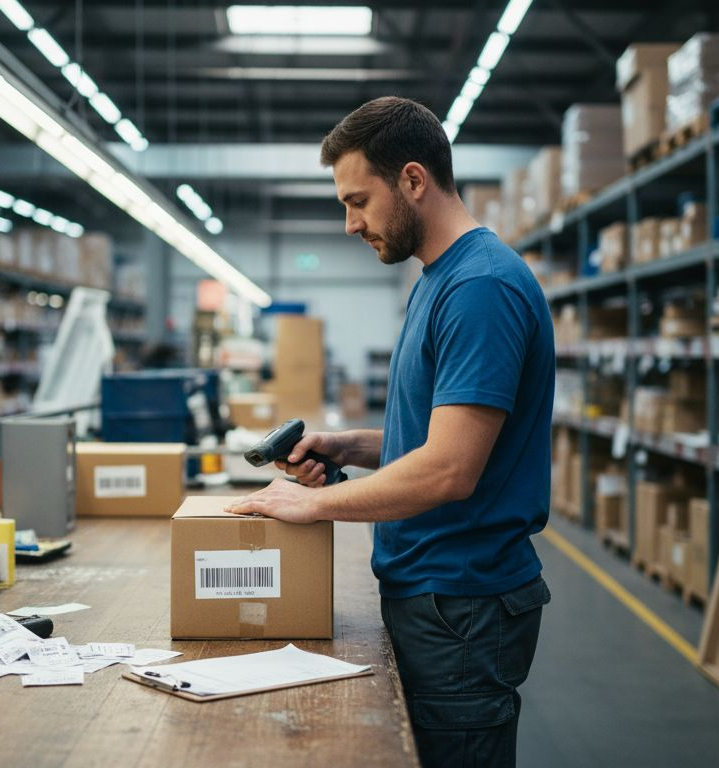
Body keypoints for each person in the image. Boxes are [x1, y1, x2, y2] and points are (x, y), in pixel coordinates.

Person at [226, 96, 555, 768]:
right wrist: (348, 445)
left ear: (412, 180)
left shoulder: (480, 289)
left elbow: (449, 470)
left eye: (358, 201)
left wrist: (312, 503)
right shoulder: (441, 280)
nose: (349, 224)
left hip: (462, 603)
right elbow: (438, 439)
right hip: (436, 592)